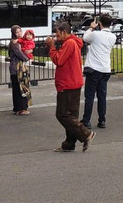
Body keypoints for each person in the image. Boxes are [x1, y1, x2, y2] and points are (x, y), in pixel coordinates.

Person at [46, 22, 95, 152]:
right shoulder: (74, 42)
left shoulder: (69, 43)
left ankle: (86, 134)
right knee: (71, 115)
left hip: (67, 83)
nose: (56, 37)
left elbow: (58, 60)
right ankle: (69, 144)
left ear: (63, 32)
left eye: (57, 33)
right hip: (74, 82)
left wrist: (51, 47)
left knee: (62, 114)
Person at [81, 14, 117, 129]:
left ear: (100, 23)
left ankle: (86, 120)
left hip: (93, 69)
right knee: (102, 96)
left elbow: (85, 38)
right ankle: (102, 120)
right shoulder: (113, 37)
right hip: (105, 69)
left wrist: (91, 27)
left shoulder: (95, 34)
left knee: (90, 96)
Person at [9, 25, 31, 115]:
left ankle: (20, 108)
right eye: (17, 32)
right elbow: (21, 55)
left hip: (20, 68)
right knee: (19, 88)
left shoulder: (20, 42)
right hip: (16, 69)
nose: (19, 34)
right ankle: (20, 108)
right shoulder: (14, 43)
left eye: (20, 32)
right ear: (13, 33)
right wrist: (27, 56)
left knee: (20, 87)